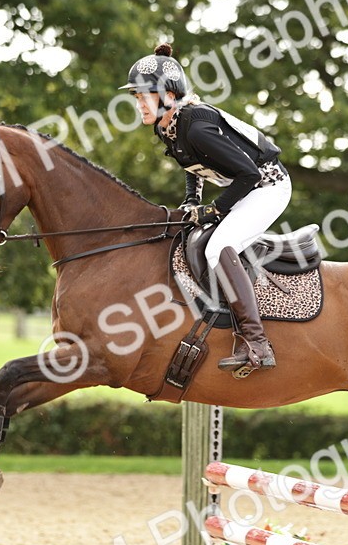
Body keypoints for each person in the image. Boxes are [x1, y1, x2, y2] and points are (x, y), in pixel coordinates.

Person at [120, 42, 291, 374]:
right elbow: (192, 165)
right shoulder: (166, 126)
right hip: (246, 188)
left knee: (218, 247)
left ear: (169, 96)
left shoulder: (196, 126)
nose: (138, 103)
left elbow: (250, 174)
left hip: (269, 187)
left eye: (144, 96)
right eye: (136, 97)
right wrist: (192, 200)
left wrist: (214, 209)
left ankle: (256, 342)